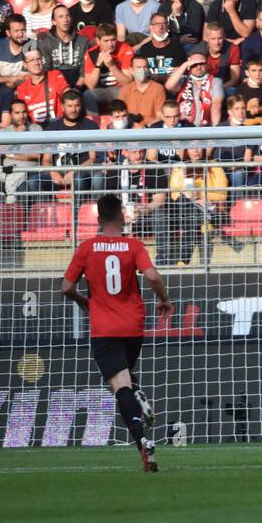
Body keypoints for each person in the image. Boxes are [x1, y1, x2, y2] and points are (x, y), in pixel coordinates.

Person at [60, 193, 170, 473]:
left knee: (119, 386)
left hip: (104, 327)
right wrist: (163, 299)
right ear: (122, 216)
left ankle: (142, 441)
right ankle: (137, 393)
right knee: (123, 376)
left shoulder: (86, 247)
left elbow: (65, 287)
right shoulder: (133, 245)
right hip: (133, 326)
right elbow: (154, 276)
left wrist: (86, 303)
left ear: (98, 219)